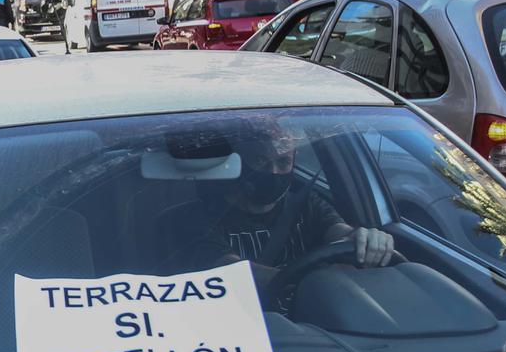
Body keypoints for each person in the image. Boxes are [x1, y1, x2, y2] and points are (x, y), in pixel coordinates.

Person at [167, 121, 395, 284]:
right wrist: (319, 282)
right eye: (259, 160)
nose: (274, 172)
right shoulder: (198, 216)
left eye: (284, 161)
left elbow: (340, 232)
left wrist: (366, 239)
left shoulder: (305, 203)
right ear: (237, 163)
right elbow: (232, 272)